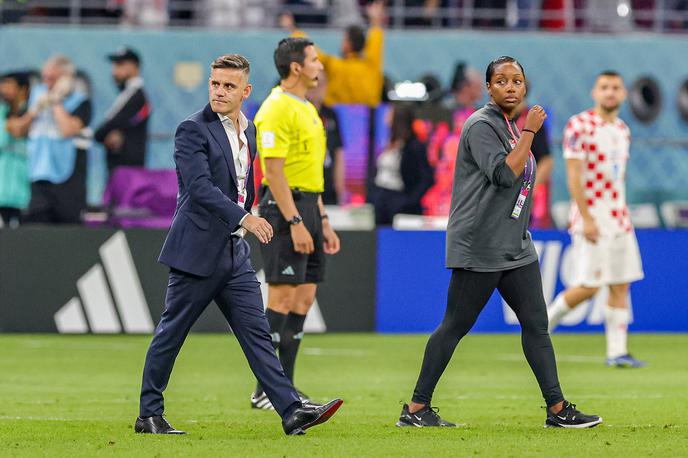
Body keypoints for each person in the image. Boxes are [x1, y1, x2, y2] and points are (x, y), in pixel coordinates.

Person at [136, 54, 342, 436]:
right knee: (172, 334)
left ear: (245, 91)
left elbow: (241, 185)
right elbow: (199, 189)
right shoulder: (191, 130)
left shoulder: (247, 131)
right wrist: (245, 217)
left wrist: (243, 222)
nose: (219, 91)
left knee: (258, 335)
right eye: (215, 84)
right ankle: (149, 413)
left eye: (229, 86)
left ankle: (290, 411)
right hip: (197, 251)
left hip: (234, 253)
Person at [397, 56, 602, 429]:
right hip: (481, 244)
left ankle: (557, 410)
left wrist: (523, 134)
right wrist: (530, 133)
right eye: (502, 81)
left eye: (517, 81)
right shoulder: (481, 125)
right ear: (489, 89)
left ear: (525, 87)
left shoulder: (508, 127)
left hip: (514, 244)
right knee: (455, 325)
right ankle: (415, 409)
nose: (510, 87)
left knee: (537, 324)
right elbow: (505, 176)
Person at [251, 37, 341, 410]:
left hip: (308, 206)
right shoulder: (274, 109)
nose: (320, 65)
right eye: (314, 59)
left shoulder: (307, 108)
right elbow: (274, 171)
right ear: (296, 68)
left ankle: (285, 386)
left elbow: (309, 173)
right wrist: (295, 221)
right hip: (283, 208)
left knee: (304, 296)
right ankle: (264, 389)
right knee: (282, 295)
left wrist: (321, 218)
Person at [547, 71, 645, 368]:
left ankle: (617, 353)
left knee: (621, 283)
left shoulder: (623, 130)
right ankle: (541, 328)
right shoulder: (580, 126)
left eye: (615, 87)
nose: (610, 92)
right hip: (592, 215)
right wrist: (586, 217)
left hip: (619, 218)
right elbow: (573, 175)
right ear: (594, 92)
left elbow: (618, 178)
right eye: (604, 87)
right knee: (589, 286)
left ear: (624, 94)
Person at [10, 55, 91, 224]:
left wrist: (56, 101)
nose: (47, 83)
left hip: (67, 180)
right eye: (44, 78)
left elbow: (68, 130)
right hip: (38, 178)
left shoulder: (80, 102)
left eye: (52, 79)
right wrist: (34, 110)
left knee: (67, 230)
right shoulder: (37, 98)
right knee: (35, 229)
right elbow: (16, 129)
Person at [282, 0, 385, 107]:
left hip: (337, 120)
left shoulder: (335, 66)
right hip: (369, 121)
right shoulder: (371, 66)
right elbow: (377, 40)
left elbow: (309, 50)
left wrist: (292, 29)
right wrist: (376, 20)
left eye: (344, 40)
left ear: (348, 45)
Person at [372, 103, 433, 225]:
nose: (386, 118)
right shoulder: (388, 142)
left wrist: (409, 201)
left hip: (400, 201)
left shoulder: (414, 146)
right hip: (381, 200)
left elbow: (427, 178)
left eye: (389, 114)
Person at [94, 47, 151, 174]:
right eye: (114, 65)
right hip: (121, 171)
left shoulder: (136, 96)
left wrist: (104, 133)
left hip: (128, 173)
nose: (114, 70)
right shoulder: (127, 94)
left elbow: (105, 129)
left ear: (135, 67)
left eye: (120, 65)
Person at [306, 70, 346, 205]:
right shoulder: (299, 113)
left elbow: (338, 152)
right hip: (304, 187)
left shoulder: (331, 115)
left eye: (321, 83)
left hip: (328, 187)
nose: (317, 88)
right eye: (314, 83)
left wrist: (340, 187)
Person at [0, 72, 31, 227]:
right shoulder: (1, 113)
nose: (3, 89)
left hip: (25, 192)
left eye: (9, 84)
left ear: (23, 89)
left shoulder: (33, 114)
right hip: (2, 192)